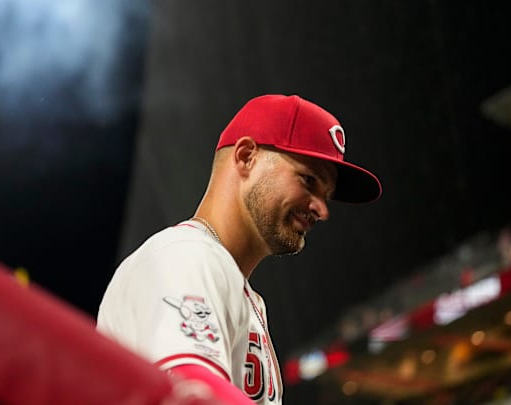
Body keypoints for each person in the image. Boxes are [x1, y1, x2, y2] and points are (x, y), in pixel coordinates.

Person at [97, 94, 382, 403]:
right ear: (247, 156)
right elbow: (194, 394)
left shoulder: (240, 292)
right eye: (308, 180)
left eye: (326, 195)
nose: (321, 209)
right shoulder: (186, 255)